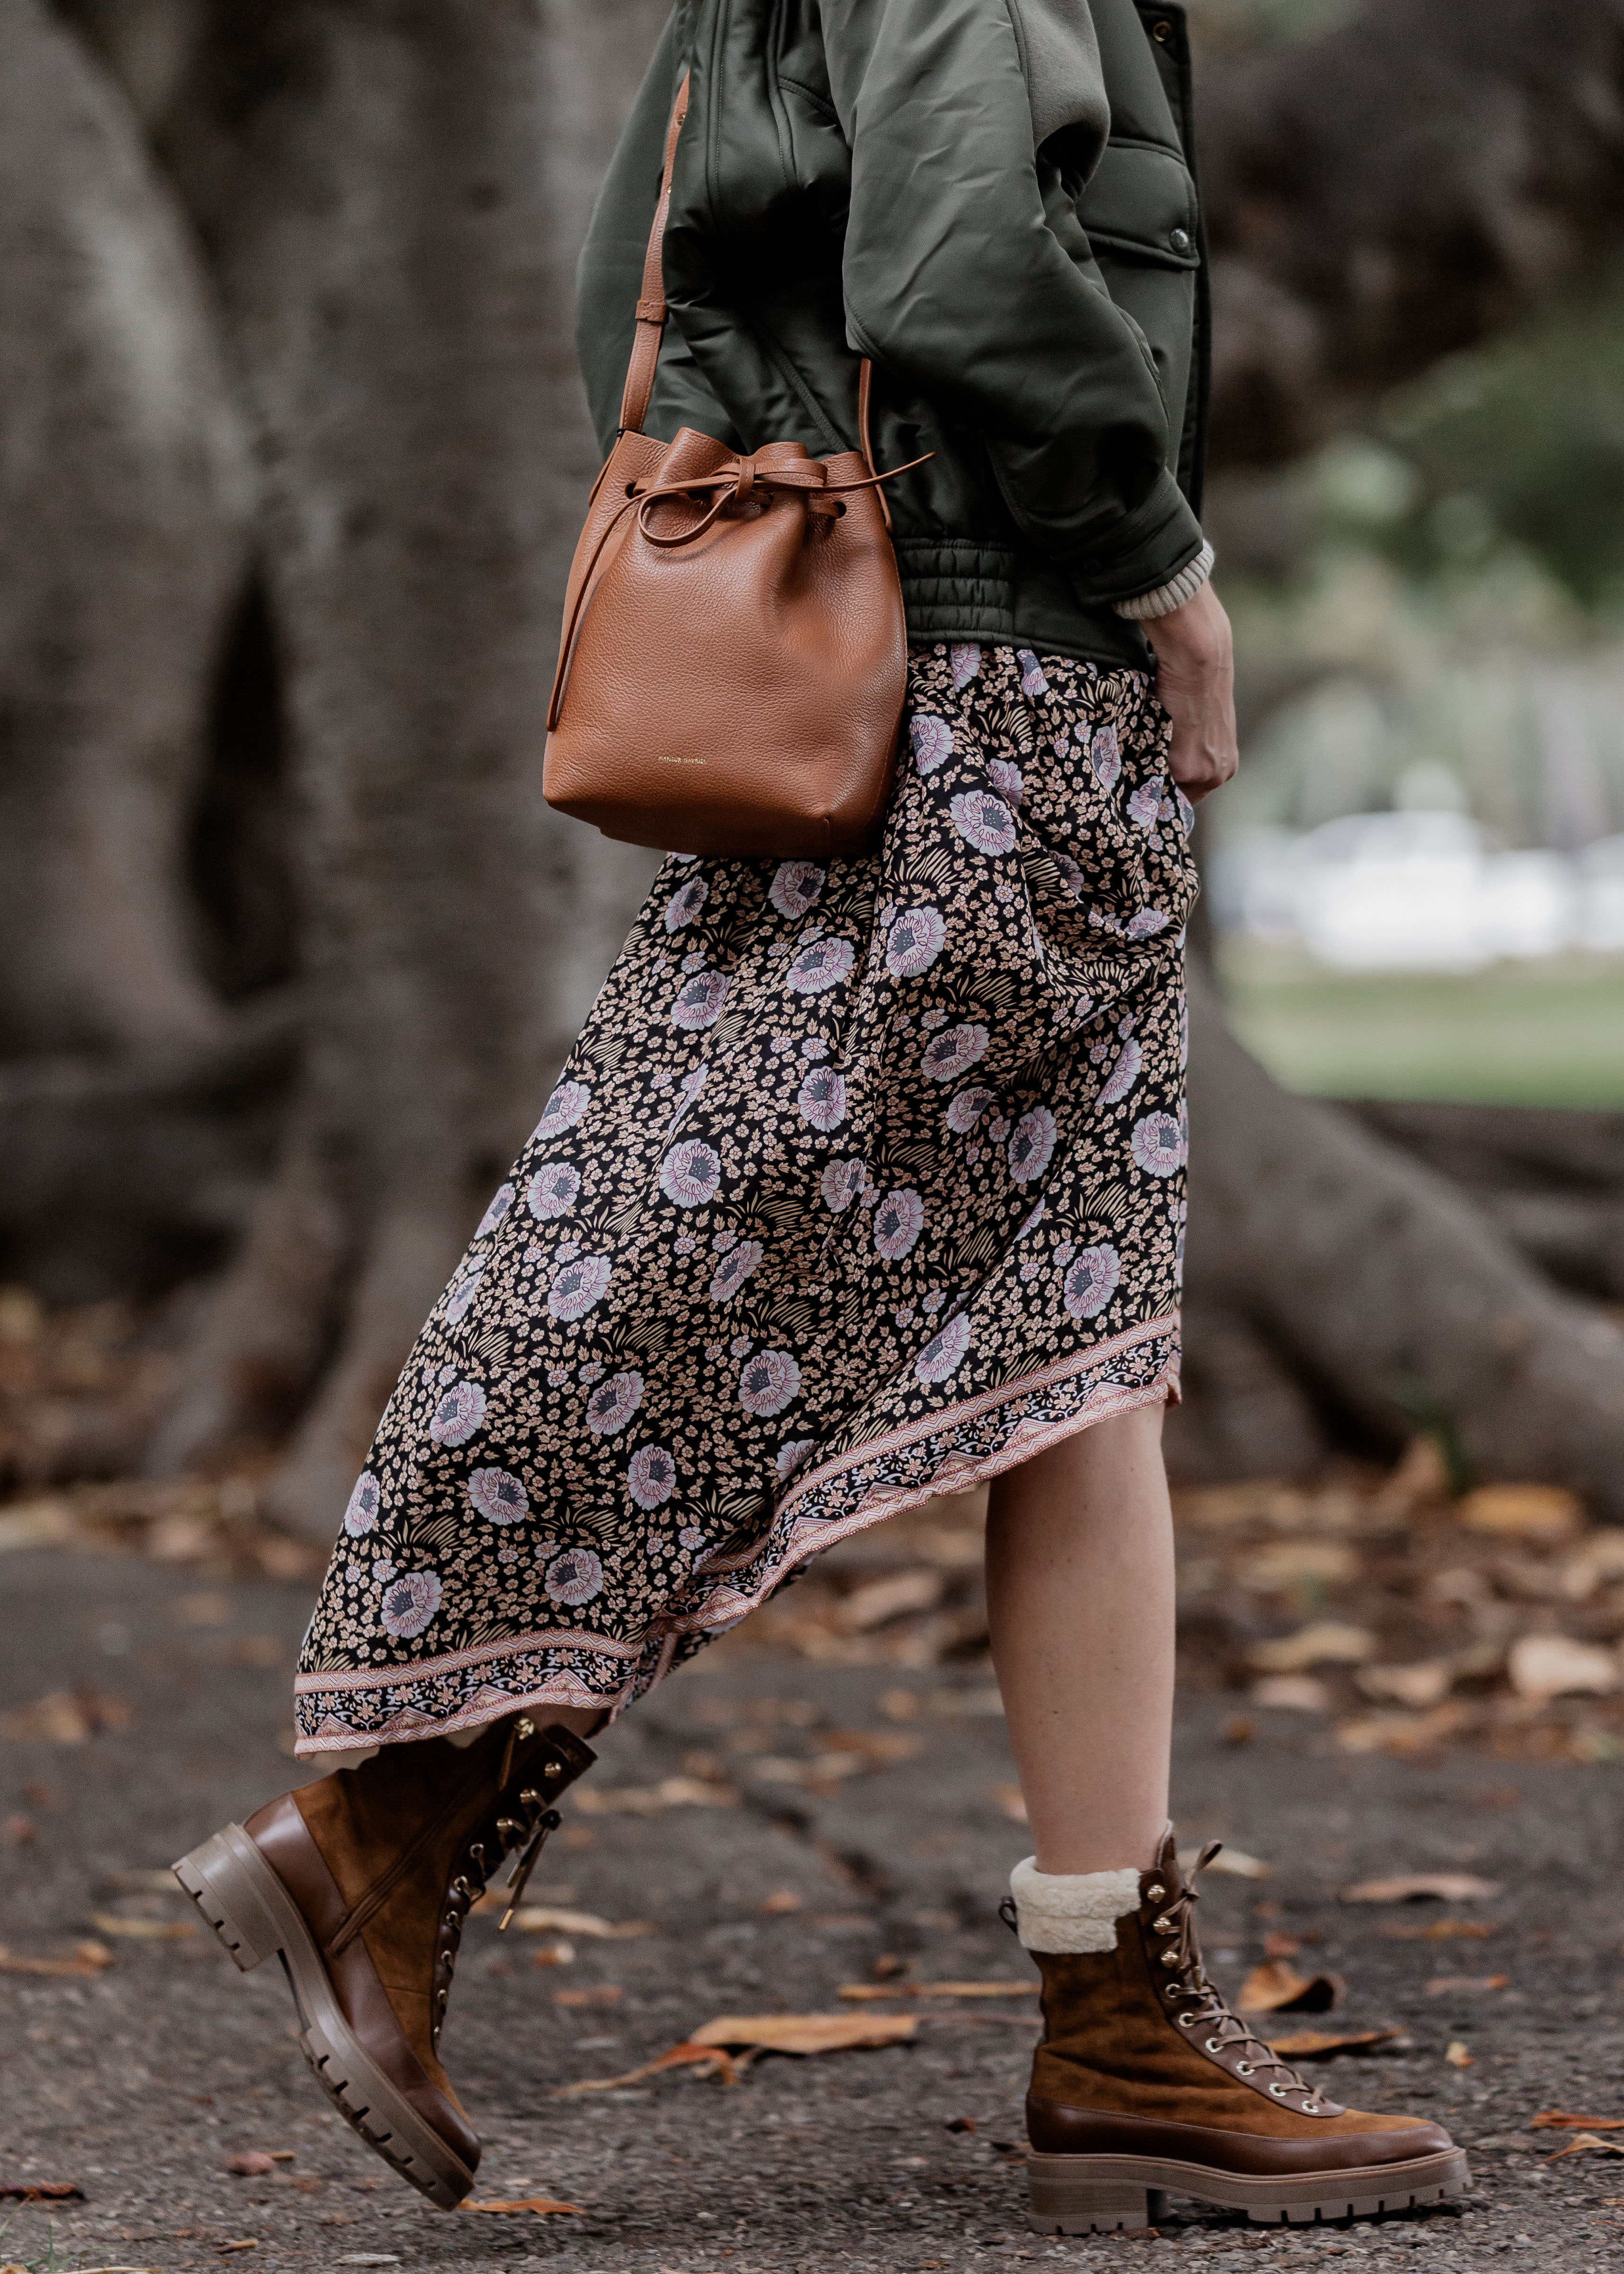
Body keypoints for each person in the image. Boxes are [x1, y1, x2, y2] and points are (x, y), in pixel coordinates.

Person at [173, 0, 1465, 2238]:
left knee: (1083, 1373)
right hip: (987, 723)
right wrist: (1162, 579)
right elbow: (963, 264)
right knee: (716, 1268)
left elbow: (634, 293)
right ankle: (386, 1825)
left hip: (923, 719)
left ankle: (1116, 2034)